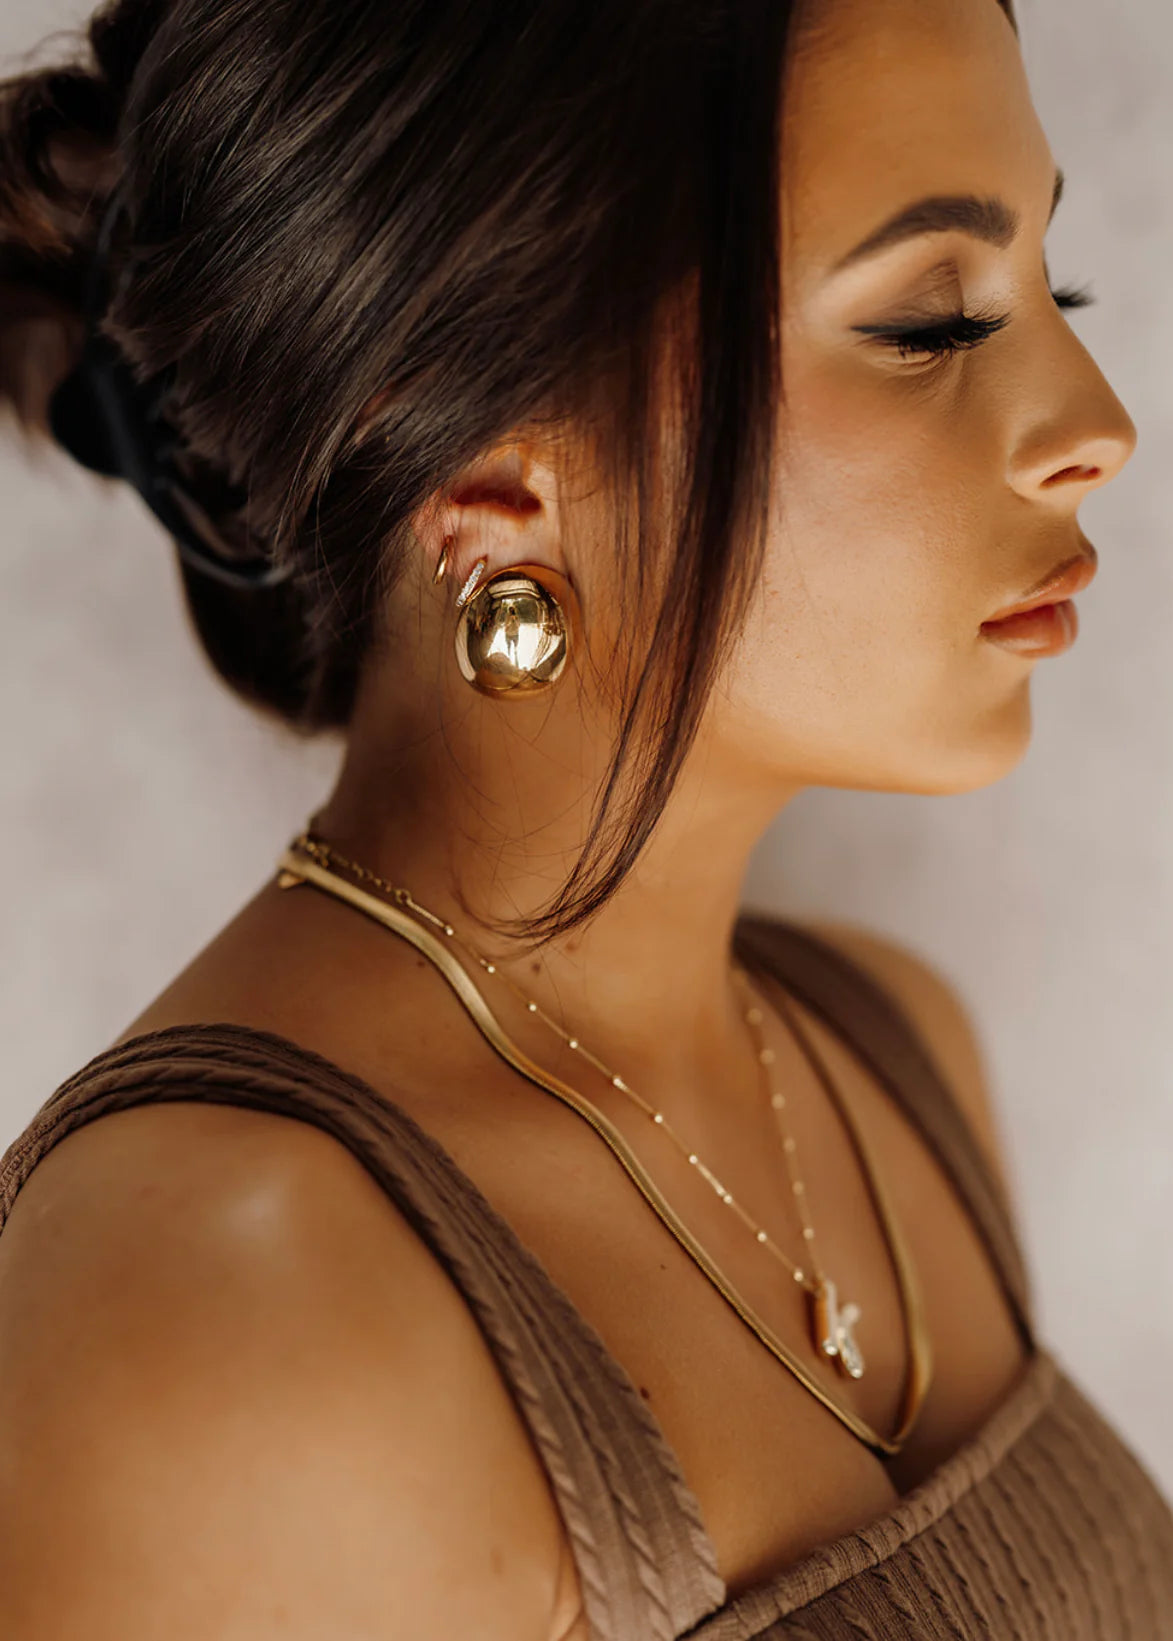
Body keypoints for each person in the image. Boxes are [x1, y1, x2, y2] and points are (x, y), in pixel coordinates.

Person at [1, 0, 1169, 1635]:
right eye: (930, 320)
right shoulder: (219, 1317)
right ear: (494, 470)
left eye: (1060, 288)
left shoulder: (897, 1062)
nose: (1098, 425)